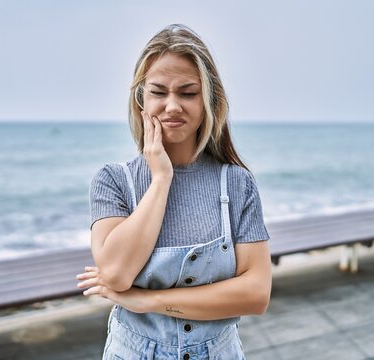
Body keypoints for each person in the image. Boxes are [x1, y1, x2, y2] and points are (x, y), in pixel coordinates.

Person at [76, 24, 271, 360]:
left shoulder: (237, 183)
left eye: (188, 92)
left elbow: (255, 294)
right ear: (141, 100)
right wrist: (161, 178)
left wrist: (148, 300)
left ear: (209, 100)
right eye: (158, 92)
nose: (172, 106)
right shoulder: (113, 181)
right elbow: (116, 274)